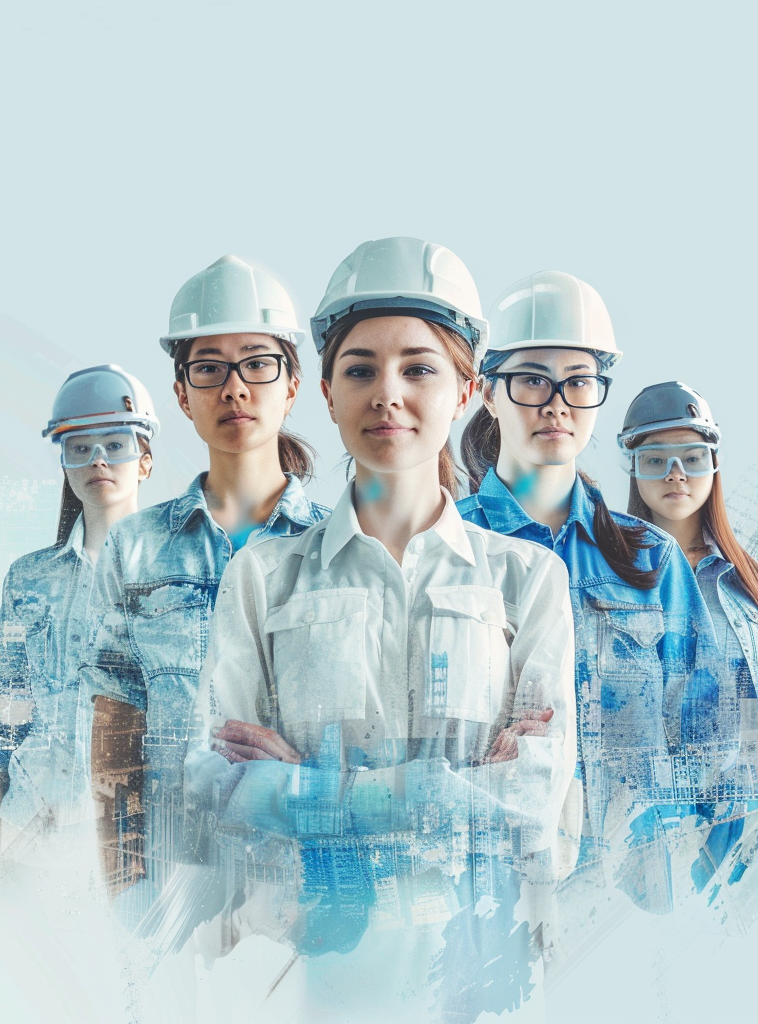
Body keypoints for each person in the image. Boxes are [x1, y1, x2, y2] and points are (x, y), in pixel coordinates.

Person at [184, 238, 580, 1021]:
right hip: (308, 975)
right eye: (360, 369)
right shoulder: (264, 579)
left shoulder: (526, 581)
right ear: (325, 392)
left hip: (478, 968)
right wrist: (447, 786)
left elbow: (533, 796)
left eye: (419, 368)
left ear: (468, 389)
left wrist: (307, 789)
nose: (387, 394)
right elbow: (217, 787)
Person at [457, 271, 715, 916]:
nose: (557, 402)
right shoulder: (439, 550)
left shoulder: (651, 561)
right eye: (531, 379)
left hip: (629, 902)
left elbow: (714, 743)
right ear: (487, 392)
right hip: (482, 898)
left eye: (579, 380)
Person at [83, 256, 329, 903]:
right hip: (173, 899)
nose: (235, 387)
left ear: (293, 384)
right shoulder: (134, 549)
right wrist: (126, 895)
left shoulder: (343, 553)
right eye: (209, 367)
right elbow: (116, 737)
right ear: (182, 393)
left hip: (309, 891)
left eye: (257, 363)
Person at [618, 381, 758, 914]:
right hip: (645, 834)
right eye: (655, 459)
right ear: (633, 469)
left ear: (714, 465)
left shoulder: (757, 589)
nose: (675, 474)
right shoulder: (602, 582)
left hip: (744, 830)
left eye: (692, 457)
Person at [0, 365, 158, 863]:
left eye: (115, 445)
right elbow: (8, 705)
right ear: (65, 462)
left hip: (131, 840)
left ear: (144, 460)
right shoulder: (28, 578)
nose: (97, 460)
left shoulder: (178, 577)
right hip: (29, 833)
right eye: (80, 448)